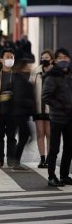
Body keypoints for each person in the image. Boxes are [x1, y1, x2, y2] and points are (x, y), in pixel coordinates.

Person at [42, 48, 72, 187]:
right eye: (60, 58)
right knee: (54, 148)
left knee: (69, 147)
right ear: (55, 61)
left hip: (70, 117)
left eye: (66, 57)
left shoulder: (70, 74)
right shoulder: (51, 76)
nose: (63, 60)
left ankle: (64, 175)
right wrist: (60, 105)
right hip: (57, 117)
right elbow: (46, 97)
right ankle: (51, 176)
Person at [29, 50, 55, 168]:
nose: (44, 59)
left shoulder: (56, 72)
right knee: (40, 133)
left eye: (47, 57)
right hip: (38, 108)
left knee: (49, 134)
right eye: (42, 57)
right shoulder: (36, 71)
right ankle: (42, 159)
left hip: (52, 108)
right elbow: (30, 87)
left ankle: (50, 158)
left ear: (52, 59)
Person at [11, 59, 35, 170]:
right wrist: (31, 103)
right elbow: (19, 98)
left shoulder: (20, 78)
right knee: (25, 136)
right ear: (21, 68)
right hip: (19, 112)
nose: (29, 68)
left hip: (21, 113)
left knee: (25, 136)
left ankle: (14, 159)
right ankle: (15, 160)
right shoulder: (20, 80)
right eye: (27, 67)